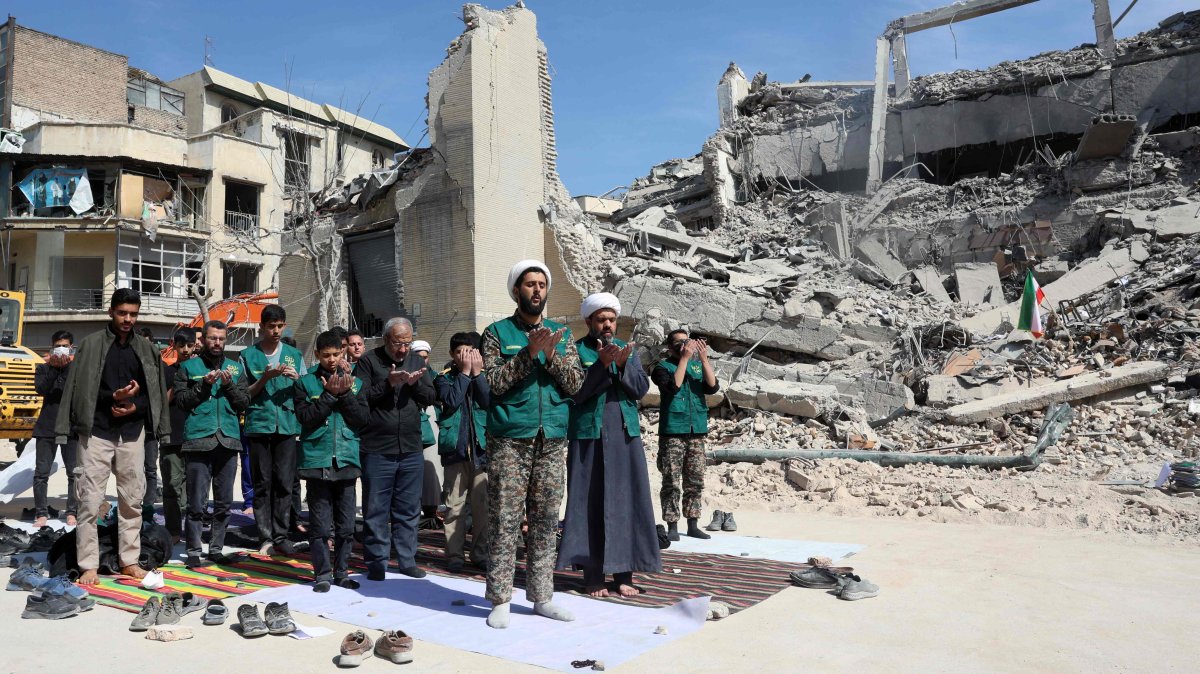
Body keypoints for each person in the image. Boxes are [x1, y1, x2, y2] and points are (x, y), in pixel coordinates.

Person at [481, 260, 583, 629]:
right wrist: (528, 354)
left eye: (542, 284)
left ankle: (542, 597)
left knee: (544, 520)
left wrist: (550, 355)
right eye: (530, 284)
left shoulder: (562, 334)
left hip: (552, 437)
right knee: (506, 519)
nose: (537, 290)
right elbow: (494, 382)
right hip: (510, 439)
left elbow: (575, 384)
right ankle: (500, 598)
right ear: (516, 291)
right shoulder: (496, 333)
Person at [55, 288, 171, 584]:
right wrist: (113, 397)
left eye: (133, 314)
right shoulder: (92, 345)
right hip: (96, 432)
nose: (128, 319)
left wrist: (134, 405)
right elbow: (81, 389)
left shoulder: (146, 349)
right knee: (90, 501)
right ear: (111, 312)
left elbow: (155, 394)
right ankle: (88, 565)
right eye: (123, 313)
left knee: (132, 500)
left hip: (132, 434)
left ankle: (129, 561)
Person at [557, 293, 661, 596]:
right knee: (589, 502)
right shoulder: (574, 352)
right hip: (589, 435)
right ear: (589, 321)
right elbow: (575, 392)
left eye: (611, 319)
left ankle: (624, 574)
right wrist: (601, 366)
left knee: (627, 502)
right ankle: (592, 576)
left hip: (624, 435)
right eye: (601, 319)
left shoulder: (628, 351)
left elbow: (640, 389)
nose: (607, 325)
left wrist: (625, 363)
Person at [356, 317, 436, 580]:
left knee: (408, 508)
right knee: (376, 507)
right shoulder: (368, 361)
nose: (403, 349)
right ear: (384, 339)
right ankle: (377, 561)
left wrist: (414, 385)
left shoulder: (416, 361)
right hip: (378, 447)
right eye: (397, 343)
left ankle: (406, 558)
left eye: (407, 343)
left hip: (411, 447)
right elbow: (360, 398)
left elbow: (430, 397)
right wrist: (388, 383)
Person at [295, 330, 369, 592]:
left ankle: (342, 573)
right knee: (319, 525)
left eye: (337, 354)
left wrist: (346, 394)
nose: (332, 360)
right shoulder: (304, 383)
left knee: (347, 525)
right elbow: (305, 419)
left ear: (343, 352)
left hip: (347, 459)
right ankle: (323, 574)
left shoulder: (357, 383)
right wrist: (328, 396)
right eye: (326, 355)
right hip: (317, 460)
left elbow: (361, 419)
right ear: (317, 355)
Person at [174, 320, 250, 567]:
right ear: (202, 340)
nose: (217, 343)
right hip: (198, 439)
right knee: (196, 501)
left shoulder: (235, 369)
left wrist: (227, 385)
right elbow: (182, 401)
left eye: (221, 338)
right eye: (212, 338)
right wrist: (203, 385)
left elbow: (243, 403)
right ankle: (194, 551)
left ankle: (216, 549)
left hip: (228, 440)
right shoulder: (188, 367)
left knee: (224, 502)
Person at [241, 304, 304, 555]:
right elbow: (243, 394)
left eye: (280, 326)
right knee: (263, 482)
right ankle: (265, 536)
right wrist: (265, 378)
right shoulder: (248, 355)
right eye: (271, 326)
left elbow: (305, 389)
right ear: (261, 328)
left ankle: (281, 534)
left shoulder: (293, 355)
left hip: (287, 426)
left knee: (284, 482)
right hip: (259, 425)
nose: (276, 331)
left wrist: (297, 380)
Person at [651, 329, 720, 541]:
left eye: (687, 341)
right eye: (680, 342)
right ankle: (672, 524)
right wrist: (684, 358)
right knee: (671, 480)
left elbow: (713, 387)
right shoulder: (661, 368)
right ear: (670, 347)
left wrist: (704, 359)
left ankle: (693, 523)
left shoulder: (697, 365)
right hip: (673, 430)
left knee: (695, 479)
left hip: (696, 429)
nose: (685, 345)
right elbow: (673, 387)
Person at [434, 332, 490, 573]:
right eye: (459, 352)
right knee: (454, 506)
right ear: (451, 354)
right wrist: (466, 374)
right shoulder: (444, 378)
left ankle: (480, 553)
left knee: (483, 506)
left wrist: (477, 375)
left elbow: (488, 401)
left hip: (482, 450)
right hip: (455, 451)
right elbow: (452, 400)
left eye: (469, 351)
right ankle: (454, 554)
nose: (464, 356)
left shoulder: (486, 376)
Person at [33, 330, 78, 528]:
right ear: (52, 347)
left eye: (65, 345)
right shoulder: (43, 368)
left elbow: (78, 391)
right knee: (41, 473)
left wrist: (67, 366)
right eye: (58, 345)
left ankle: (72, 511)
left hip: (71, 426)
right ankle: (41, 513)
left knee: (74, 473)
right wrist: (53, 367)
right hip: (47, 426)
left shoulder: (76, 368)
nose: (62, 348)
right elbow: (41, 389)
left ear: (71, 348)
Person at [160, 328, 198, 544]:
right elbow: (160, 404)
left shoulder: (201, 371)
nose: (185, 350)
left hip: (197, 436)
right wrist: (177, 383)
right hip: (172, 435)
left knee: (195, 488)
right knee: (172, 487)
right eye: (181, 345)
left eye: (189, 345)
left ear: (195, 345)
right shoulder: (166, 372)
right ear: (173, 345)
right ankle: (173, 530)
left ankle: (193, 531)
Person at [412, 339, 443, 528]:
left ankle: (432, 509)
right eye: (418, 357)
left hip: (430, 422)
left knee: (432, 470)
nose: (423, 360)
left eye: (425, 357)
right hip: (412, 425)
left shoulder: (435, 376)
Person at [137, 326, 161, 512]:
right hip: (132, 425)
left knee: (150, 468)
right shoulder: (128, 367)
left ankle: (149, 505)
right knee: (131, 468)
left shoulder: (160, 367)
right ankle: (134, 501)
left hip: (152, 426)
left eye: (147, 342)